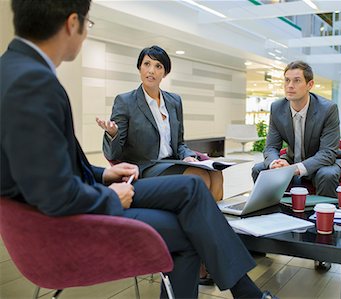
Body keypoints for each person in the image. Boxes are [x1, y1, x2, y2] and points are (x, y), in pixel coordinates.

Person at [0, 1, 277, 298]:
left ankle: (247, 293)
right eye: (88, 25)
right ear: (72, 23)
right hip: (67, 223)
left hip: (79, 198)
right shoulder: (33, 82)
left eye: (158, 66)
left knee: (192, 191)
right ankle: (248, 293)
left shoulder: (17, 70)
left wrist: (105, 173)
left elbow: (53, 168)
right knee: (190, 228)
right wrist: (109, 196)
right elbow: (51, 193)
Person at [96, 46, 223, 202]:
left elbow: (180, 143)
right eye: (147, 64)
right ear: (139, 68)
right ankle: (200, 221)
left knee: (216, 173)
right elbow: (113, 154)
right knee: (199, 176)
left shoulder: (174, 101)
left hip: (172, 161)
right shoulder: (125, 101)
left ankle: (213, 219)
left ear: (165, 73)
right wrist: (113, 134)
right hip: (145, 166)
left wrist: (188, 156)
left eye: (158, 66)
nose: (151, 70)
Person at [252, 60, 341, 198]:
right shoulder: (277, 108)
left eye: (297, 81)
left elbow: (327, 152)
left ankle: (322, 217)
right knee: (259, 169)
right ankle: (271, 213)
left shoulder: (327, 109)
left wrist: (295, 169)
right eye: (287, 80)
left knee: (327, 175)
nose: (290, 86)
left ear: (310, 85)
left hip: (321, 162)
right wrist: (275, 163)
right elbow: (271, 147)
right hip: (291, 159)